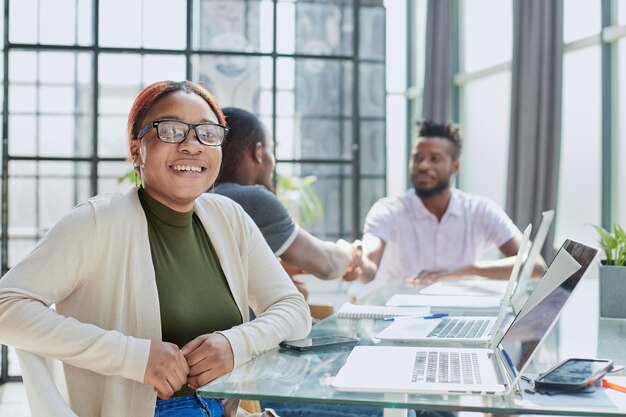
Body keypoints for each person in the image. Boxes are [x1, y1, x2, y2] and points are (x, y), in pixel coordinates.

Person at [0, 81, 311, 417]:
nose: (191, 145)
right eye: (171, 131)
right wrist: (135, 357)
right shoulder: (96, 221)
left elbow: (293, 309)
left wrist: (235, 345)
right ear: (136, 150)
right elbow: (7, 307)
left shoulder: (229, 218)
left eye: (207, 132)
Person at [354, 120, 546, 291]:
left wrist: (468, 269)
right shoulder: (388, 211)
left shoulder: (480, 210)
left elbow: (536, 266)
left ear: (455, 166)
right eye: (418, 158)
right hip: (399, 317)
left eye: (434, 159)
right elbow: (369, 266)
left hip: (462, 315)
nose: (423, 166)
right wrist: (356, 263)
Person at [213, 107, 362, 297]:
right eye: (271, 149)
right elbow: (328, 265)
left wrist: (279, 268)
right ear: (258, 152)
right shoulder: (252, 200)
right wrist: (350, 253)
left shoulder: (205, 198)